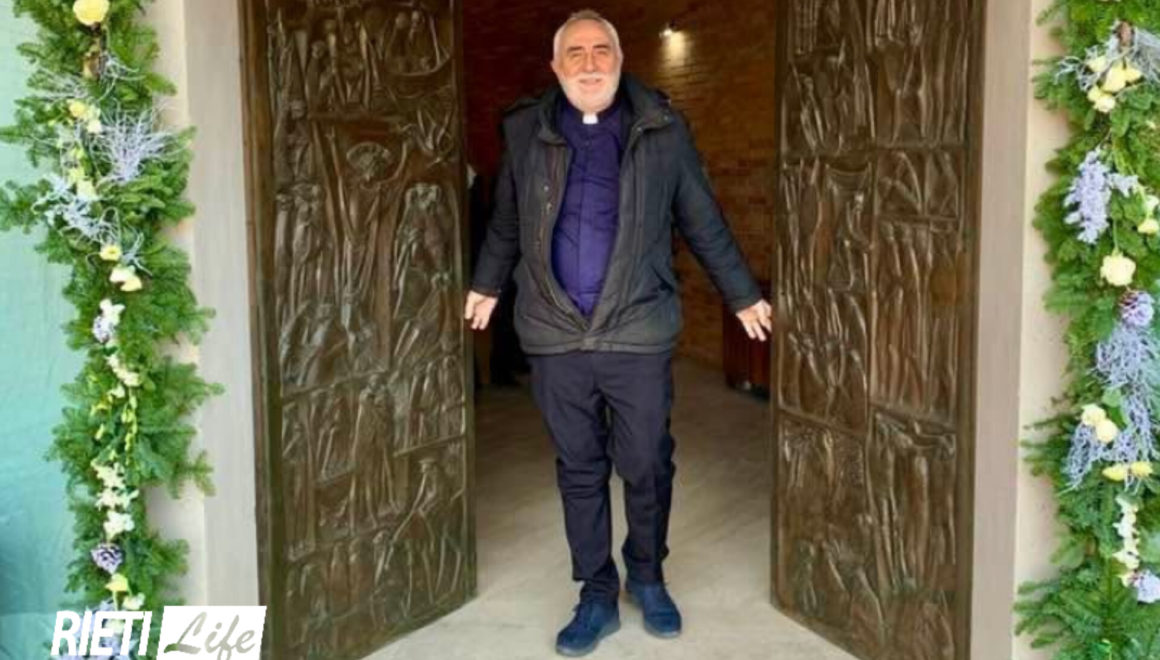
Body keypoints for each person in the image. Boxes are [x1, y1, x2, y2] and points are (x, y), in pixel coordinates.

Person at [464, 9, 773, 657]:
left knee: (645, 460)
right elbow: (507, 220)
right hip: (556, 333)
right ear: (555, 66)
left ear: (620, 59)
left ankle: (648, 575)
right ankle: (597, 593)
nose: (589, 63)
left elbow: (701, 217)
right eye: (575, 53)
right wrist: (487, 282)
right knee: (579, 467)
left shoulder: (662, 129)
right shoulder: (525, 129)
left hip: (636, 329)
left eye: (601, 49)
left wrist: (742, 293)